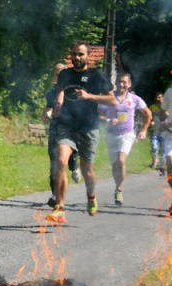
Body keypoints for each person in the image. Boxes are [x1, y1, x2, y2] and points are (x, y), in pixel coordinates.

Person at [46, 41, 116, 223]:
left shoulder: (97, 75)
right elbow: (60, 91)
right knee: (61, 161)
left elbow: (112, 100)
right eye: (74, 54)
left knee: (87, 171)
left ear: (87, 56)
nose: (77, 58)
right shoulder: (65, 74)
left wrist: (88, 96)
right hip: (67, 125)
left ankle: (91, 196)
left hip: (88, 128)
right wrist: (58, 106)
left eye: (81, 54)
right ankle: (59, 208)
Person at [98, 72, 151, 206]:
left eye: (124, 82)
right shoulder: (109, 98)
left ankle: (119, 189)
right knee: (115, 164)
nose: (122, 84)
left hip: (127, 134)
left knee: (121, 161)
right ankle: (117, 184)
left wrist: (144, 130)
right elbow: (98, 114)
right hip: (111, 134)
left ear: (129, 84)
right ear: (115, 83)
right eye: (119, 81)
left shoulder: (135, 99)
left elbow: (148, 113)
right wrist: (108, 120)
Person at [42, 63, 82, 208]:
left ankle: (75, 165)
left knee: (68, 159)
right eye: (58, 74)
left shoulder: (75, 91)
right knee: (55, 164)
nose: (60, 77)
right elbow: (48, 108)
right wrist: (46, 115)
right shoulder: (51, 93)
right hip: (55, 130)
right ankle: (55, 195)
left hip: (71, 131)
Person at [159, 79, 172, 214]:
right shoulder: (169, 92)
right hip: (170, 134)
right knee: (170, 165)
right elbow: (163, 110)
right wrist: (165, 121)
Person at [149, 92, 164, 172]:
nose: (159, 99)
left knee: (163, 150)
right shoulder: (152, 107)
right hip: (155, 131)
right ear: (155, 98)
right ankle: (155, 161)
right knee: (154, 148)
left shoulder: (167, 108)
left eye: (161, 97)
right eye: (158, 97)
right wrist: (151, 122)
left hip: (164, 133)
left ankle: (162, 165)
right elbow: (150, 117)